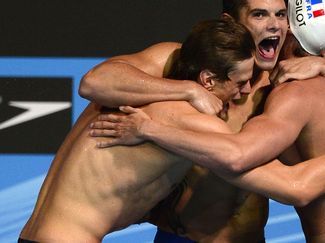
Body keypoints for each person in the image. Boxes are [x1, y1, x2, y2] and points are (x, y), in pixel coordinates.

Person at [80, 0, 325, 242]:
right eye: (259, 15)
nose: (274, 25)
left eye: (280, 14)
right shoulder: (192, 61)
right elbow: (95, 82)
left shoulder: (294, 68)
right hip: (183, 238)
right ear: (230, 23)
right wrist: (188, 90)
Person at [18, 19, 259, 243]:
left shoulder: (136, 94)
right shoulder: (187, 116)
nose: (247, 90)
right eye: (240, 83)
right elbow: (252, 166)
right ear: (207, 80)